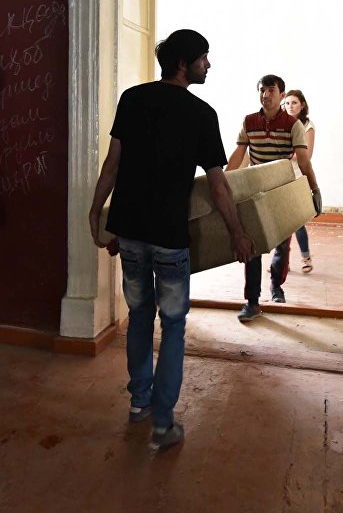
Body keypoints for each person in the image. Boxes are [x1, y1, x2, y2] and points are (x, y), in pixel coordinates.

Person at [88, 29, 254, 451]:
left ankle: (139, 402)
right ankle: (163, 424)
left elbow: (113, 163)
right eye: (203, 58)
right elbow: (218, 186)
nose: (208, 65)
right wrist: (237, 233)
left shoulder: (132, 98)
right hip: (169, 238)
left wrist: (96, 210)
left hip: (129, 233)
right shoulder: (201, 114)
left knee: (139, 315)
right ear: (183, 63)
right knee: (174, 325)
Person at [227, 75, 321, 321]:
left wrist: (314, 190)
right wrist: (222, 183)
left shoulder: (293, 125)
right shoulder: (249, 121)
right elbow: (238, 155)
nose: (266, 95)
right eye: (262, 90)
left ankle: (276, 286)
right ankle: (252, 301)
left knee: (282, 244)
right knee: (252, 247)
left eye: (271, 90)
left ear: (281, 95)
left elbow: (303, 161)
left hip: (282, 192)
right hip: (254, 192)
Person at [282, 89, 316, 273]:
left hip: (297, 177)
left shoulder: (307, 125)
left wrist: (284, 155)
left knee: (297, 221)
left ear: (302, 105)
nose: (290, 106)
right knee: (281, 222)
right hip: (280, 176)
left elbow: (306, 155)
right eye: (287, 103)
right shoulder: (281, 123)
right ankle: (282, 262)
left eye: (294, 103)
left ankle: (306, 257)